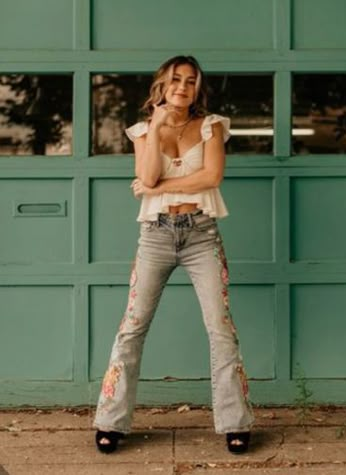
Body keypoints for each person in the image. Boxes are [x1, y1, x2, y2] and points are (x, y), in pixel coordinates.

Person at [93, 55, 253, 456]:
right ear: (161, 85)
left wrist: (160, 186)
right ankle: (111, 422)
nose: (183, 86)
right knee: (132, 326)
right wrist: (160, 127)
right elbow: (145, 176)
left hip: (201, 234)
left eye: (191, 81)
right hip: (155, 236)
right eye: (175, 79)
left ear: (199, 88)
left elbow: (211, 177)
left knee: (220, 326)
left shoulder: (212, 126)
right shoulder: (144, 130)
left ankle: (235, 422)